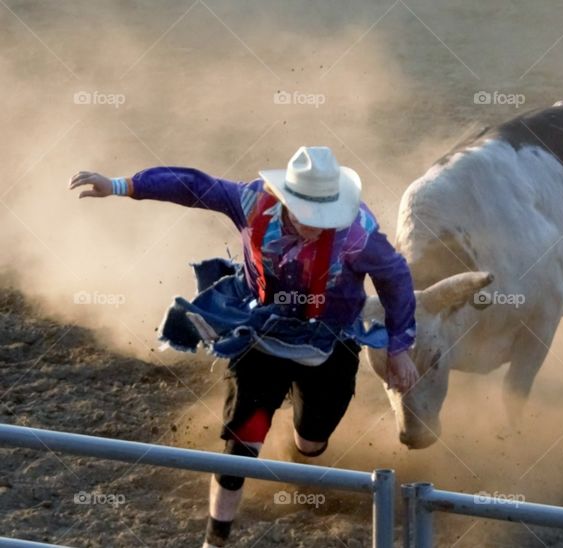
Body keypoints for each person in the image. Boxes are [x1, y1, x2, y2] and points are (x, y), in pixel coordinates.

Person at [69, 146, 419, 547]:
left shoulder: (358, 232)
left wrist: (400, 346)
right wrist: (120, 185)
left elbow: (396, 280)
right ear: (287, 200)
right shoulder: (253, 202)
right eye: (308, 214)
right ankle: (215, 540)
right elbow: (195, 186)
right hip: (260, 334)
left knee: (312, 443)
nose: (317, 226)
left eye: (324, 216)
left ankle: (298, 437)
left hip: (328, 342)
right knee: (241, 445)